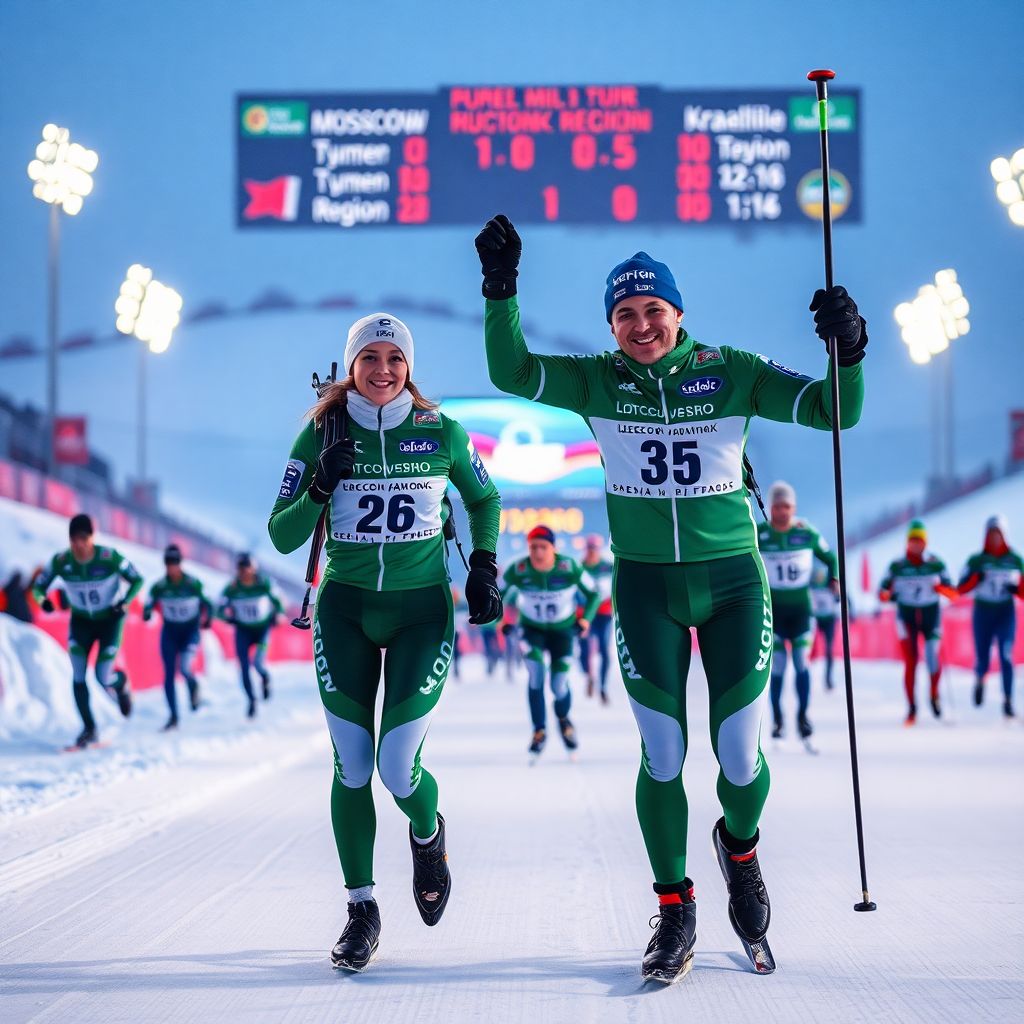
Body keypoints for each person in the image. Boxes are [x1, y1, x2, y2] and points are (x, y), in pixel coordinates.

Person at [476, 213, 866, 980]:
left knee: (740, 757)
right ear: (612, 326)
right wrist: (501, 290)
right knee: (663, 755)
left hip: (732, 584)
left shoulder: (733, 369)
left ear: (679, 313)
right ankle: (675, 907)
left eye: (654, 309)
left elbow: (834, 411)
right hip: (646, 587)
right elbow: (512, 375)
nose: (641, 324)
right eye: (625, 314)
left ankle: (740, 850)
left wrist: (848, 352)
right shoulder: (598, 379)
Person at [267, 311, 503, 973]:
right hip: (344, 608)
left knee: (399, 767)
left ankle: (427, 835)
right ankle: (361, 909)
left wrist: (484, 564)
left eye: (394, 358)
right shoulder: (320, 432)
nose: (382, 370)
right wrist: (320, 482)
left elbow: (486, 500)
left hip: (420, 610)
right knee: (352, 765)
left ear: (408, 367)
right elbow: (283, 535)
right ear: (350, 367)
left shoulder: (441, 431)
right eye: (368, 357)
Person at [31, 513, 141, 748]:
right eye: (74, 539)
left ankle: (121, 685)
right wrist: (43, 601)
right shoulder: (61, 561)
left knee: (103, 677)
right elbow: (38, 587)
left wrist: (125, 603)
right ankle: (89, 729)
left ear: (92, 537)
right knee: (78, 674)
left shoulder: (109, 557)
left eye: (84, 538)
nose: (79, 545)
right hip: (81, 622)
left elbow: (137, 580)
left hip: (109, 622)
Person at [501, 525, 600, 757]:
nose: (537, 553)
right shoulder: (519, 568)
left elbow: (594, 593)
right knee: (536, 672)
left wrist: (585, 620)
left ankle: (564, 720)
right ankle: (539, 730)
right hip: (531, 629)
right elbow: (495, 593)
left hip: (563, 632)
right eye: (533, 547)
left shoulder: (570, 567)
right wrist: (499, 621)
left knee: (558, 684)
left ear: (553, 548)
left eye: (543, 547)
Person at [757, 481, 838, 742]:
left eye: (788, 506)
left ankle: (803, 717)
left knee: (802, 663)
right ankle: (778, 720)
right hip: (774, 612)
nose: (783, 512)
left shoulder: (806, 532)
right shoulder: (759, 533)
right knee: (778, 666)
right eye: (778, 507)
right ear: (771, 507)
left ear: (794, 507)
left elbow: (831, 558)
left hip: (802, 610)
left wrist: (834, 579)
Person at [878, 520, 958, 725]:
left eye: (919, 541)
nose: (916, 545)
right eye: (912, 541)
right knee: (911, 660)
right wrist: (890, 595)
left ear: (925, 542)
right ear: (907, 542)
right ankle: (912, 708)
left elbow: (953, 594)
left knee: (932, 655)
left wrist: (941, 589)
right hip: (907, 618)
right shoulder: (897, 565)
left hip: (931, 615)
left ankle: (934, 694)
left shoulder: (936, 563)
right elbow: (881, 592)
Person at [958, 514, 1024, 717]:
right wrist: (976, 579)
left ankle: (1008, 701)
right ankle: (980, 680)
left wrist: (1016, 589)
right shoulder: (976, 560)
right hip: (983, 612)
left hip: (1005, 612)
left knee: (1005, 654)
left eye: (998, 535)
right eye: (991, 535)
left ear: (1004, 536)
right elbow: (960, 589)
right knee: (983, 658)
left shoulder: (1015, 560)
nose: (995, 539)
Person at [143, 544, 213, 731]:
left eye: (175, 563)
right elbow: (148, 603)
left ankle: (193, 686)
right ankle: (173, 717)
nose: (171, 567)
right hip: (170, 632)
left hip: (190, 632)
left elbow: (209, 603)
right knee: (168, 675)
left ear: (181, 564)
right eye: (168, 563)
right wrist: (147, 612)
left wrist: (208, 619)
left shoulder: (192, 583)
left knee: (184, 667)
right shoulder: (160, 586)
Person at [218, 553, 283, 719]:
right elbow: (217, 607)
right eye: (242, 570)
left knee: (258, 663)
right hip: (243, 631)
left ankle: (265, 677)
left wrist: (278, 614)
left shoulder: (264, 583)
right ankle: (252, 700)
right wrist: (227, 617)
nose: (246, 574)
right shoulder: (232, 587)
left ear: (254, 569)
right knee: (244, 668)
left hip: (262, 630)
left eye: (248, 569)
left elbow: (278, 601)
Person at [578, 533, 614, 703]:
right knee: (584, 649)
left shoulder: (608, 566)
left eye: (595, 548)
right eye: (589, 548)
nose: (592, 552)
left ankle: (603, 686)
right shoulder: (579, 568)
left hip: (604, 614)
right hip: (585, 615)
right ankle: (588, 675)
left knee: (604, 650)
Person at [810, 563, 841, 690]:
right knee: (808, 648)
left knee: (829, 650)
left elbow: (840, 599)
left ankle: (828, 678)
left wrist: (837, 591)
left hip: (829, 620)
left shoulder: (831, 582)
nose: (820, 577)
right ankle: (807, 676)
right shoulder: (810, 582)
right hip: (815, 618)